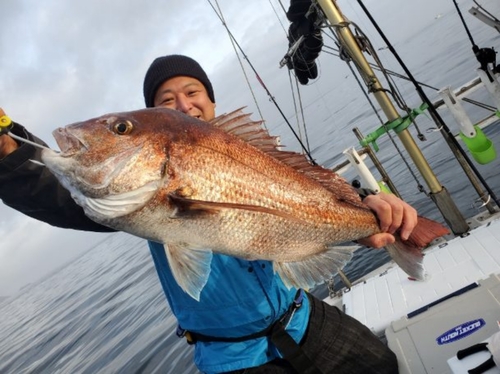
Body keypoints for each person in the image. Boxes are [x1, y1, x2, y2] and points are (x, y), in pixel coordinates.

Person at [0, 54, 417, 373]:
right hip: (234, 360)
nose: (184, 103)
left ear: (211, 101)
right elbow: (58, 192)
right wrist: (9, 148)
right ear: (158, 123)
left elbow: (308, 190)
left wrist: (366, 206)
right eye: (167, 100)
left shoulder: (252, 154)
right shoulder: (125, 202)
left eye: (193, 92)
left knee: (384, 365)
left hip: (304, 317)